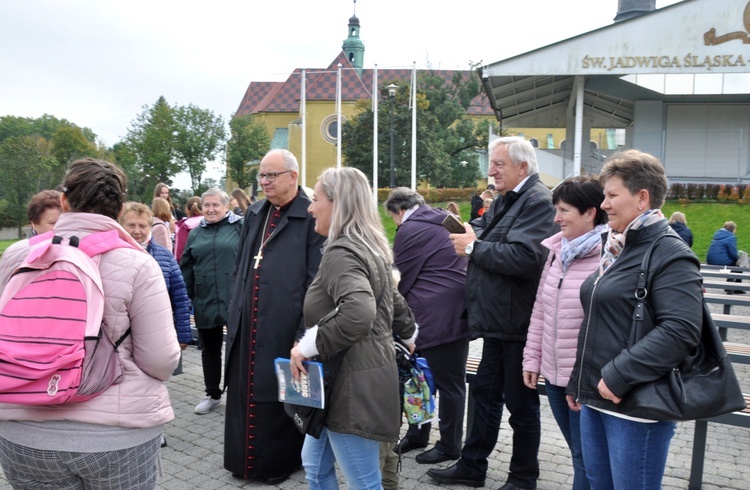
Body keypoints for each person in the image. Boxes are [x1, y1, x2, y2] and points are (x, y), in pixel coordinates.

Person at [0, 158, 181, 489]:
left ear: (65, 201)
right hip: (115, 436)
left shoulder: (17, 256)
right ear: (119, 207)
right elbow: (161, 360)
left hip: (22, 427)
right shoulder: (139, 264)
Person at [565, 149, 703, 489]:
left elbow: (681, 330)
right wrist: (579, 380)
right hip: (598, 396)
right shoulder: (616, 247)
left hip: (636, 405)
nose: (605, 204)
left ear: (642, 198)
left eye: (612, 195)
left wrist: (616, 375)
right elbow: (599, 319)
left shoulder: (670, 252)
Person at [431, 136, 555, 490]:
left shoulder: (537, 201)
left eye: (499, 164)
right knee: (484, 395)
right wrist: (472, 235)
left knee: (521, 405)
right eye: (491, 163)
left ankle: (523, 477)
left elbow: (526, 257)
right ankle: (472, 466)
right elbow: (491, 236)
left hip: (518, 322)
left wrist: (472, 246)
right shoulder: (509, 200)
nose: (491, 170)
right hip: (499, 320)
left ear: (522, 166)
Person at [290, 167, 417, 489]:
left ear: (338, 203)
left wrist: (306, 346)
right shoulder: (369, 245)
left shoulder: (342, 251)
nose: (310, 207)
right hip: (352, 378)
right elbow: (392, 296)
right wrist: (409, 332)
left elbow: (359, 312)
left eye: (316, 199)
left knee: (364, 483)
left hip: (351, 386)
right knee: (315, 467)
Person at [223, 149, 326, 482]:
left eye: (272, 175)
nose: (264, 181)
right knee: (245, 391)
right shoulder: (255, 213)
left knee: (278, 393)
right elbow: (241, 267)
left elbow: (316, 279)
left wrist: (303, 331)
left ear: (293, 176)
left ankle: (277, 464)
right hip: (249, 321)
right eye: (262, 176)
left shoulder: (310, 215)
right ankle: (243, 462)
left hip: (284, 323)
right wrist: (235, 310)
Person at [522, 176, 608, 490]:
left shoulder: (609, 255)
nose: (556, 218)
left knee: (587, 458)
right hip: (555, 376)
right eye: (556, 209)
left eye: (564, 210)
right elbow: (541, 308)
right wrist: (532, 358)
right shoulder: (557, 251)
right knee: (578, 454)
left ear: (590, 212)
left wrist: (583, 378)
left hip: (585, 381)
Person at [384, 187, 470, 464]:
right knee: (424, 379)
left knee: (444, 383)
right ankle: (419, 434)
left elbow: (400, 279)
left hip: (433, 318)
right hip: (456, 312)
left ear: (398, 211)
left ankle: (448, 445)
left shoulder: (410, 229)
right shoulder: (443, 219)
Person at [180, 188, 243, 415]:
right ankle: (212, 394)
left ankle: (238, 395)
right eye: (207, 205)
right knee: (210, 349)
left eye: (216, 205)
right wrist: (187, 299)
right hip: (205, 299)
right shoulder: (196, 233)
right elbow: (186, 267)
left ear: (226, 207)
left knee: (238, 350)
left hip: (235, 300)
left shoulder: (240, 227)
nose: (211, 209)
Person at [120, 202, 191, 350]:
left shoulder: (164, 256)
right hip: (120, 336)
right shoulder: (112, 254)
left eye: (142, 226)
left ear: (150, 227)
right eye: (131, 225)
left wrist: (183, 334)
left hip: (155, 333)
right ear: (121, 225)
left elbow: (180, 297)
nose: (137, 231)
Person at [174, 196, 202, 263]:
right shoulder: (209, 222)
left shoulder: (186, 225)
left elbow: (181, 250)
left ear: (187, 210)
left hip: (190, 264)